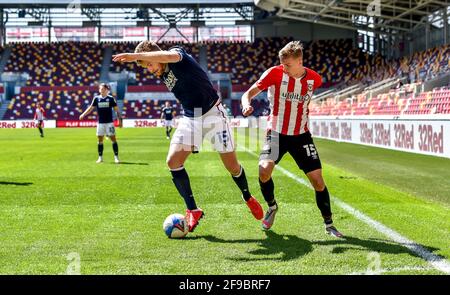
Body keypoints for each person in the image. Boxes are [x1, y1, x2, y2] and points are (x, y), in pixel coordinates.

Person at [113, 41, 263, 232]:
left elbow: (167, 56)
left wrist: (135, 56)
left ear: (154, 55)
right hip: (190, 118)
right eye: (146, 66)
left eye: (149, 64)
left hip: (213, 114)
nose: (149, 69)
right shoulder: (162, 71)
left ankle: (247, 196)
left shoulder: (177, 56)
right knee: (173, 161)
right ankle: (193, 209)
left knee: (232, 166)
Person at [241, 41, 343, 238]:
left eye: (288, 65)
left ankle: (329, 225)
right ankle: (272, 207)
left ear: (300, 61)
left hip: (301, 136)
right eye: (282, 64)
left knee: (318, 182)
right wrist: (246, 105)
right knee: (263, 171)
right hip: (277, 133)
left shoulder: (315, 79)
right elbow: (248, 94)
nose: (284, 68)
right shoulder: (274, 73)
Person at [79, 83, 122, 164]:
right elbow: (90, 108)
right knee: (100, 140)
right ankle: (100, 158)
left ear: (106, 90)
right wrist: (83, 114)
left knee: (113, 139)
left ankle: (116, 157)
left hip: (109, 123)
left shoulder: (111, 98)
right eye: (100, 89)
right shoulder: (96, 98)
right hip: (100, 123)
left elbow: (116, 110)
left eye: (102, 89)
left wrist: (119, 120)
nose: (101, 90)